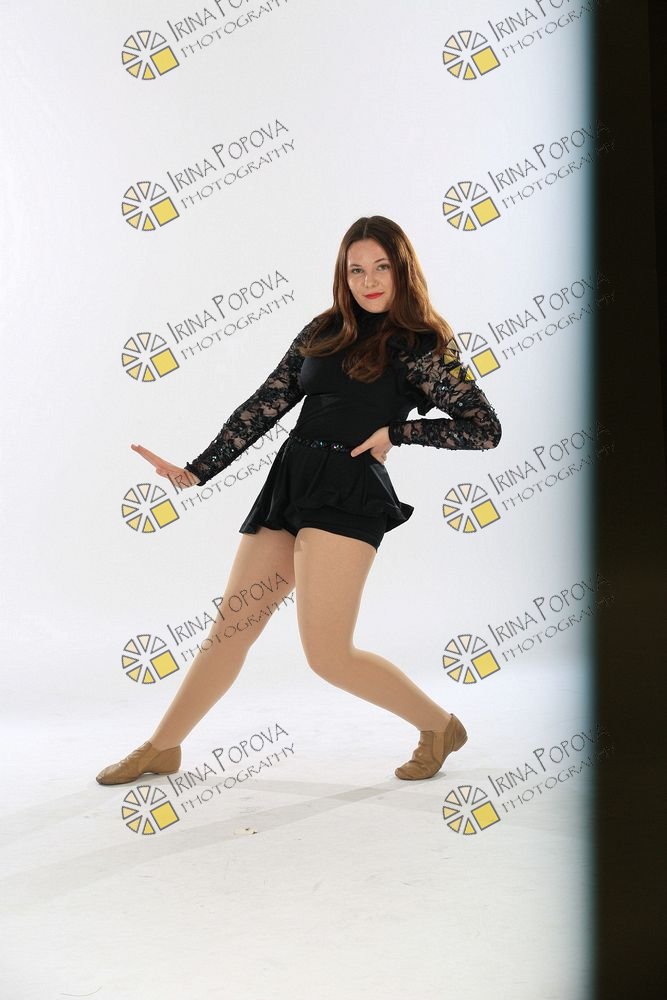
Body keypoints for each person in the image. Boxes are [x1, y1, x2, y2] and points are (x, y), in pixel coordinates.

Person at [96, 215, 502, 787]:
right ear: (343, 274)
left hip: (348, 494)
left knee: (328, 655)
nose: (369, 281)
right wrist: (197, 470)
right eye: (356, 270)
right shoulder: (325, 329)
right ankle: (162, 747)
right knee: (230, 630)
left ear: (402, 269)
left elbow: (485, 428)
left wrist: (398, 433)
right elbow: (265, 403)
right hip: (291, 482)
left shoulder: (422, 345)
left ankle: (439, 726)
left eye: (381, 267)